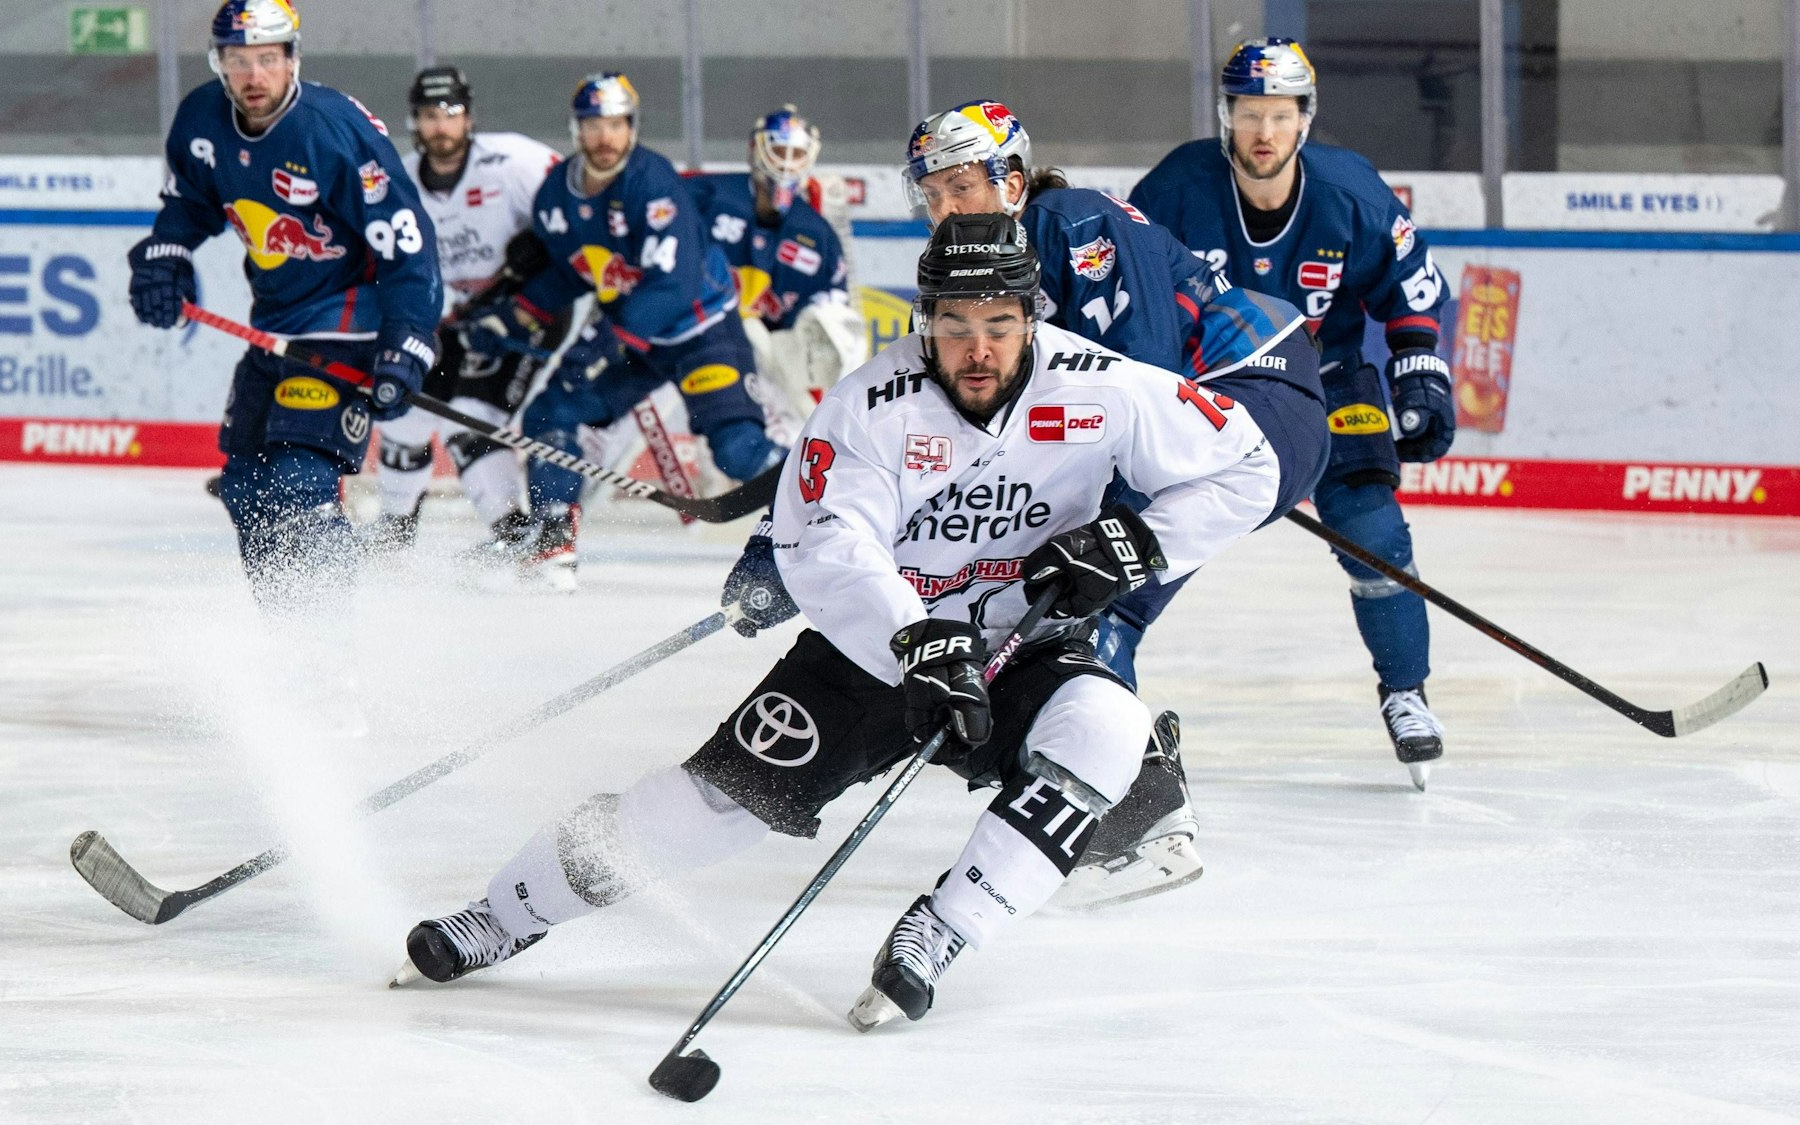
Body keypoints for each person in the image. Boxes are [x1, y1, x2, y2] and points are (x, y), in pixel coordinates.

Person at [390, 216, 1280, 1031]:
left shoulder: (1102, 386)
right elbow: (828, 542)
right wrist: (914, 634)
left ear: (1032, 317)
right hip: (876, 653)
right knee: (700, 811)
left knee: (1108, 727)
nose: (978, 348)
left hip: (1024, 644)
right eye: (955, 324)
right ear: (924, 319)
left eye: (1000, 325)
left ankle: (943, 929)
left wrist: (1138, 540)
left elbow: (1248, 463)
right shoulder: (870, 403)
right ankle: (504, 913)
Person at [723, 99, 1331, 907]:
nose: (945, 209)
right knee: (1062, 583)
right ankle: (1107, 798)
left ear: (1011, 179)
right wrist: (791, 537)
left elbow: (1137, 383)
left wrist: (1112, 523)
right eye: (931, 194)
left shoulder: (1066, 222)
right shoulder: (996, 256)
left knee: (1082, 592)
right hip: (1214, 405)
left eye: (961, 187)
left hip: (1254, 394)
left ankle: (1135, 814)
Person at [1129, 38, 1455, 786]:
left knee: (1375, 533)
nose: (1264, 132)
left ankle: (1406, 692)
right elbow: (1127, 287)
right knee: (1136, 545)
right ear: (1226, 116)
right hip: (1209, 396)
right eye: (1250, 113)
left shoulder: (1349, 191)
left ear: (1305, 119)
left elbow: (1408, 282)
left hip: (1328, 382)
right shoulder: (1176, 189)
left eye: (1280, 115)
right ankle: (1089, 688)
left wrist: (1419, 370)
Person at [127, 0, 440, 612]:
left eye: (268, 59)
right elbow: (190, 203)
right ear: (219, 62)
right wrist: (165, 256)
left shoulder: (332, 130)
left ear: (293, 58)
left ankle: (329, 640)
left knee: (300, 481)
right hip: (274, 327)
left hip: (347, 323)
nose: (254, 76)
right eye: (238, 60)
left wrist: (408, 338)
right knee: (246, 486)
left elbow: (407, 244)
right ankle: (289, 636)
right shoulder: (201, 118)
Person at [462, 72, 785, 589]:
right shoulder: (557, 195)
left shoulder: (652, 183)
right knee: (552, 412)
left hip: (701, 334)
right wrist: (515, 313)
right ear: (577, 129)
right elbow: (573, 271)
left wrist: (609, 342)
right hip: (637, 342)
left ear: (632, 128)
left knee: (738, 450)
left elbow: (674, 284)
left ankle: (830, 501)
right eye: (594, 125)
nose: (605, 137)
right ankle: (552, 542)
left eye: (616, 124)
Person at [368, 66, 562, 549]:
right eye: (429, 114)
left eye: (450, 113)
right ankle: (394, 533)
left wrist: (544, 247)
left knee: (468, 419)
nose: (441, 126)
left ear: (469, 117)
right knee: (404, 412)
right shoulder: (399, 182)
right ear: (414, 121)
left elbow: (580, 208)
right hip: (457, 321)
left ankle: (516, 538)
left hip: (528, 314)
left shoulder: (514, 161)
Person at [688, 106, 865, 421]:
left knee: (842, 329)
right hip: (699, 339)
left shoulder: (817, 235)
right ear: (755, 149)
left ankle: (841, 418)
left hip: (777, 363)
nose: (785, 163)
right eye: (779, 151)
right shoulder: (710, 198)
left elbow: (834, 310)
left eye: (796, 154)